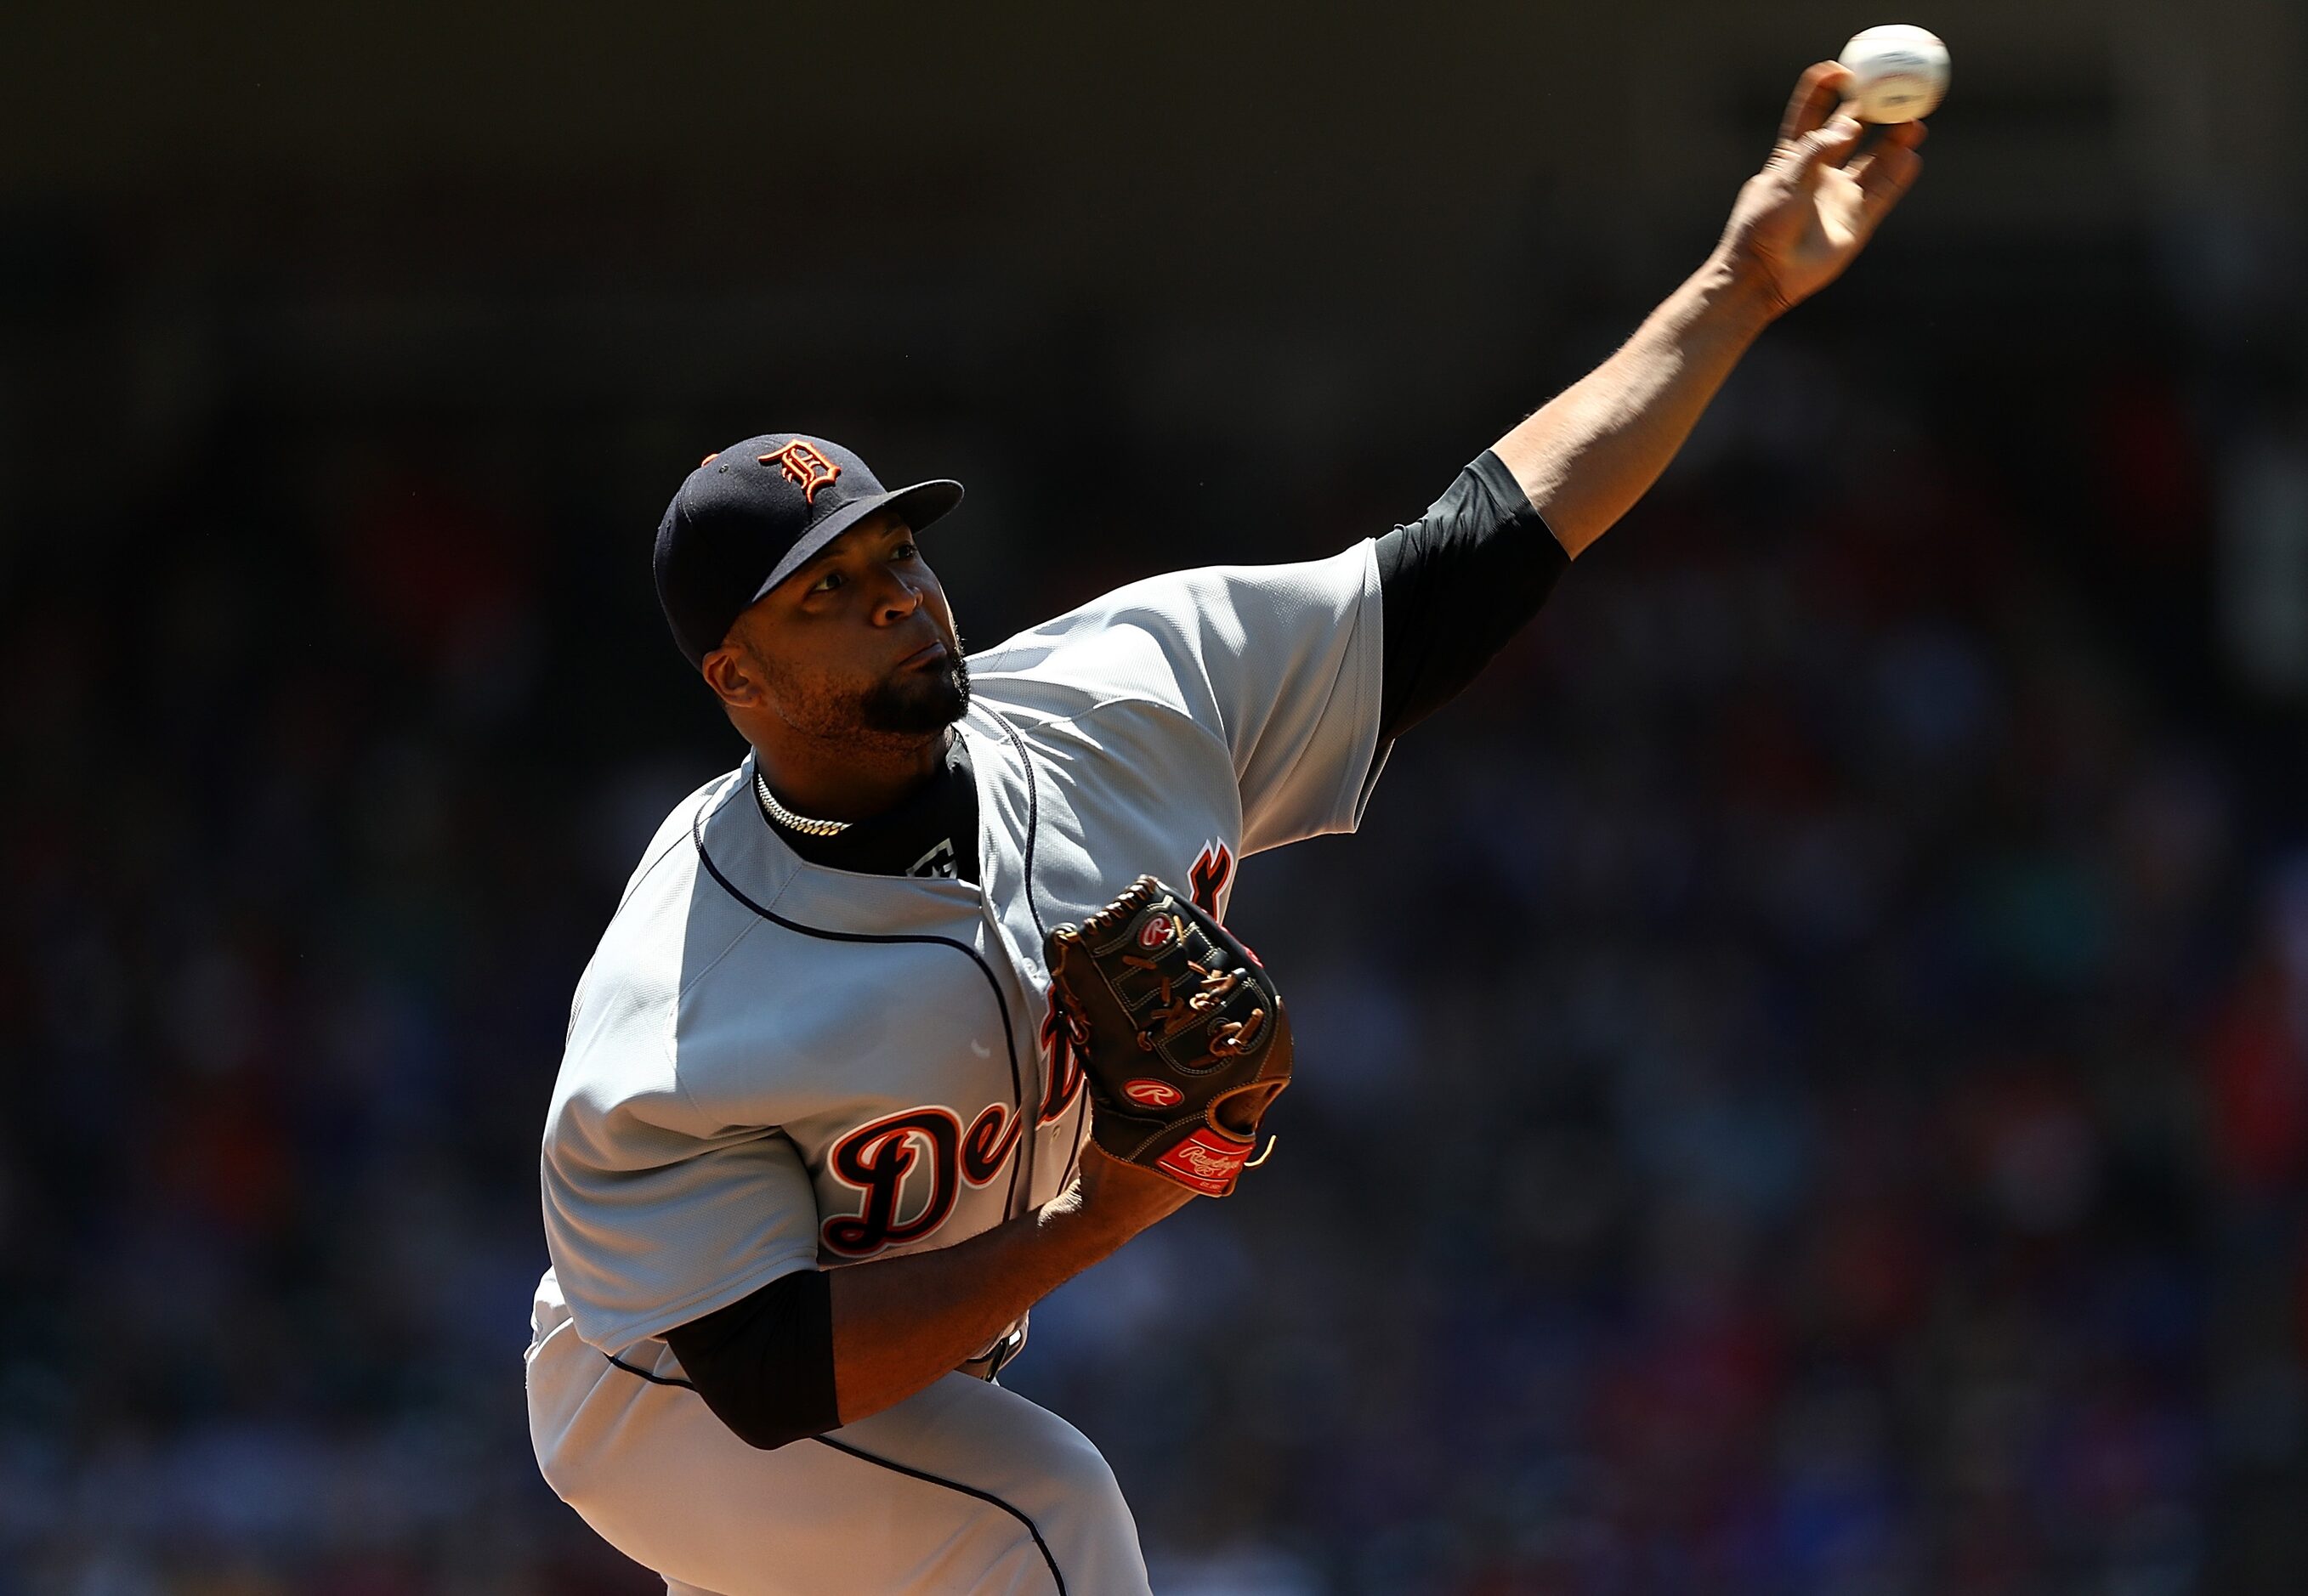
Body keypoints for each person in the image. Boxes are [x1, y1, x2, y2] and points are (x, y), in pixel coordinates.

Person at [525, 63, 1925, 1595]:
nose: (896, 597)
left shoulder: (1126, 696)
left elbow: (1470, 558)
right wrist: (1097, 1213)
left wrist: (1732, 291)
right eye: (827, 593)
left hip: (906, 1381)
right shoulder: (685, 991)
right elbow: (769, 1377)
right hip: (665, 1389)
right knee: (1045, 1517)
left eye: (894, 552)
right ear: (738, 677)